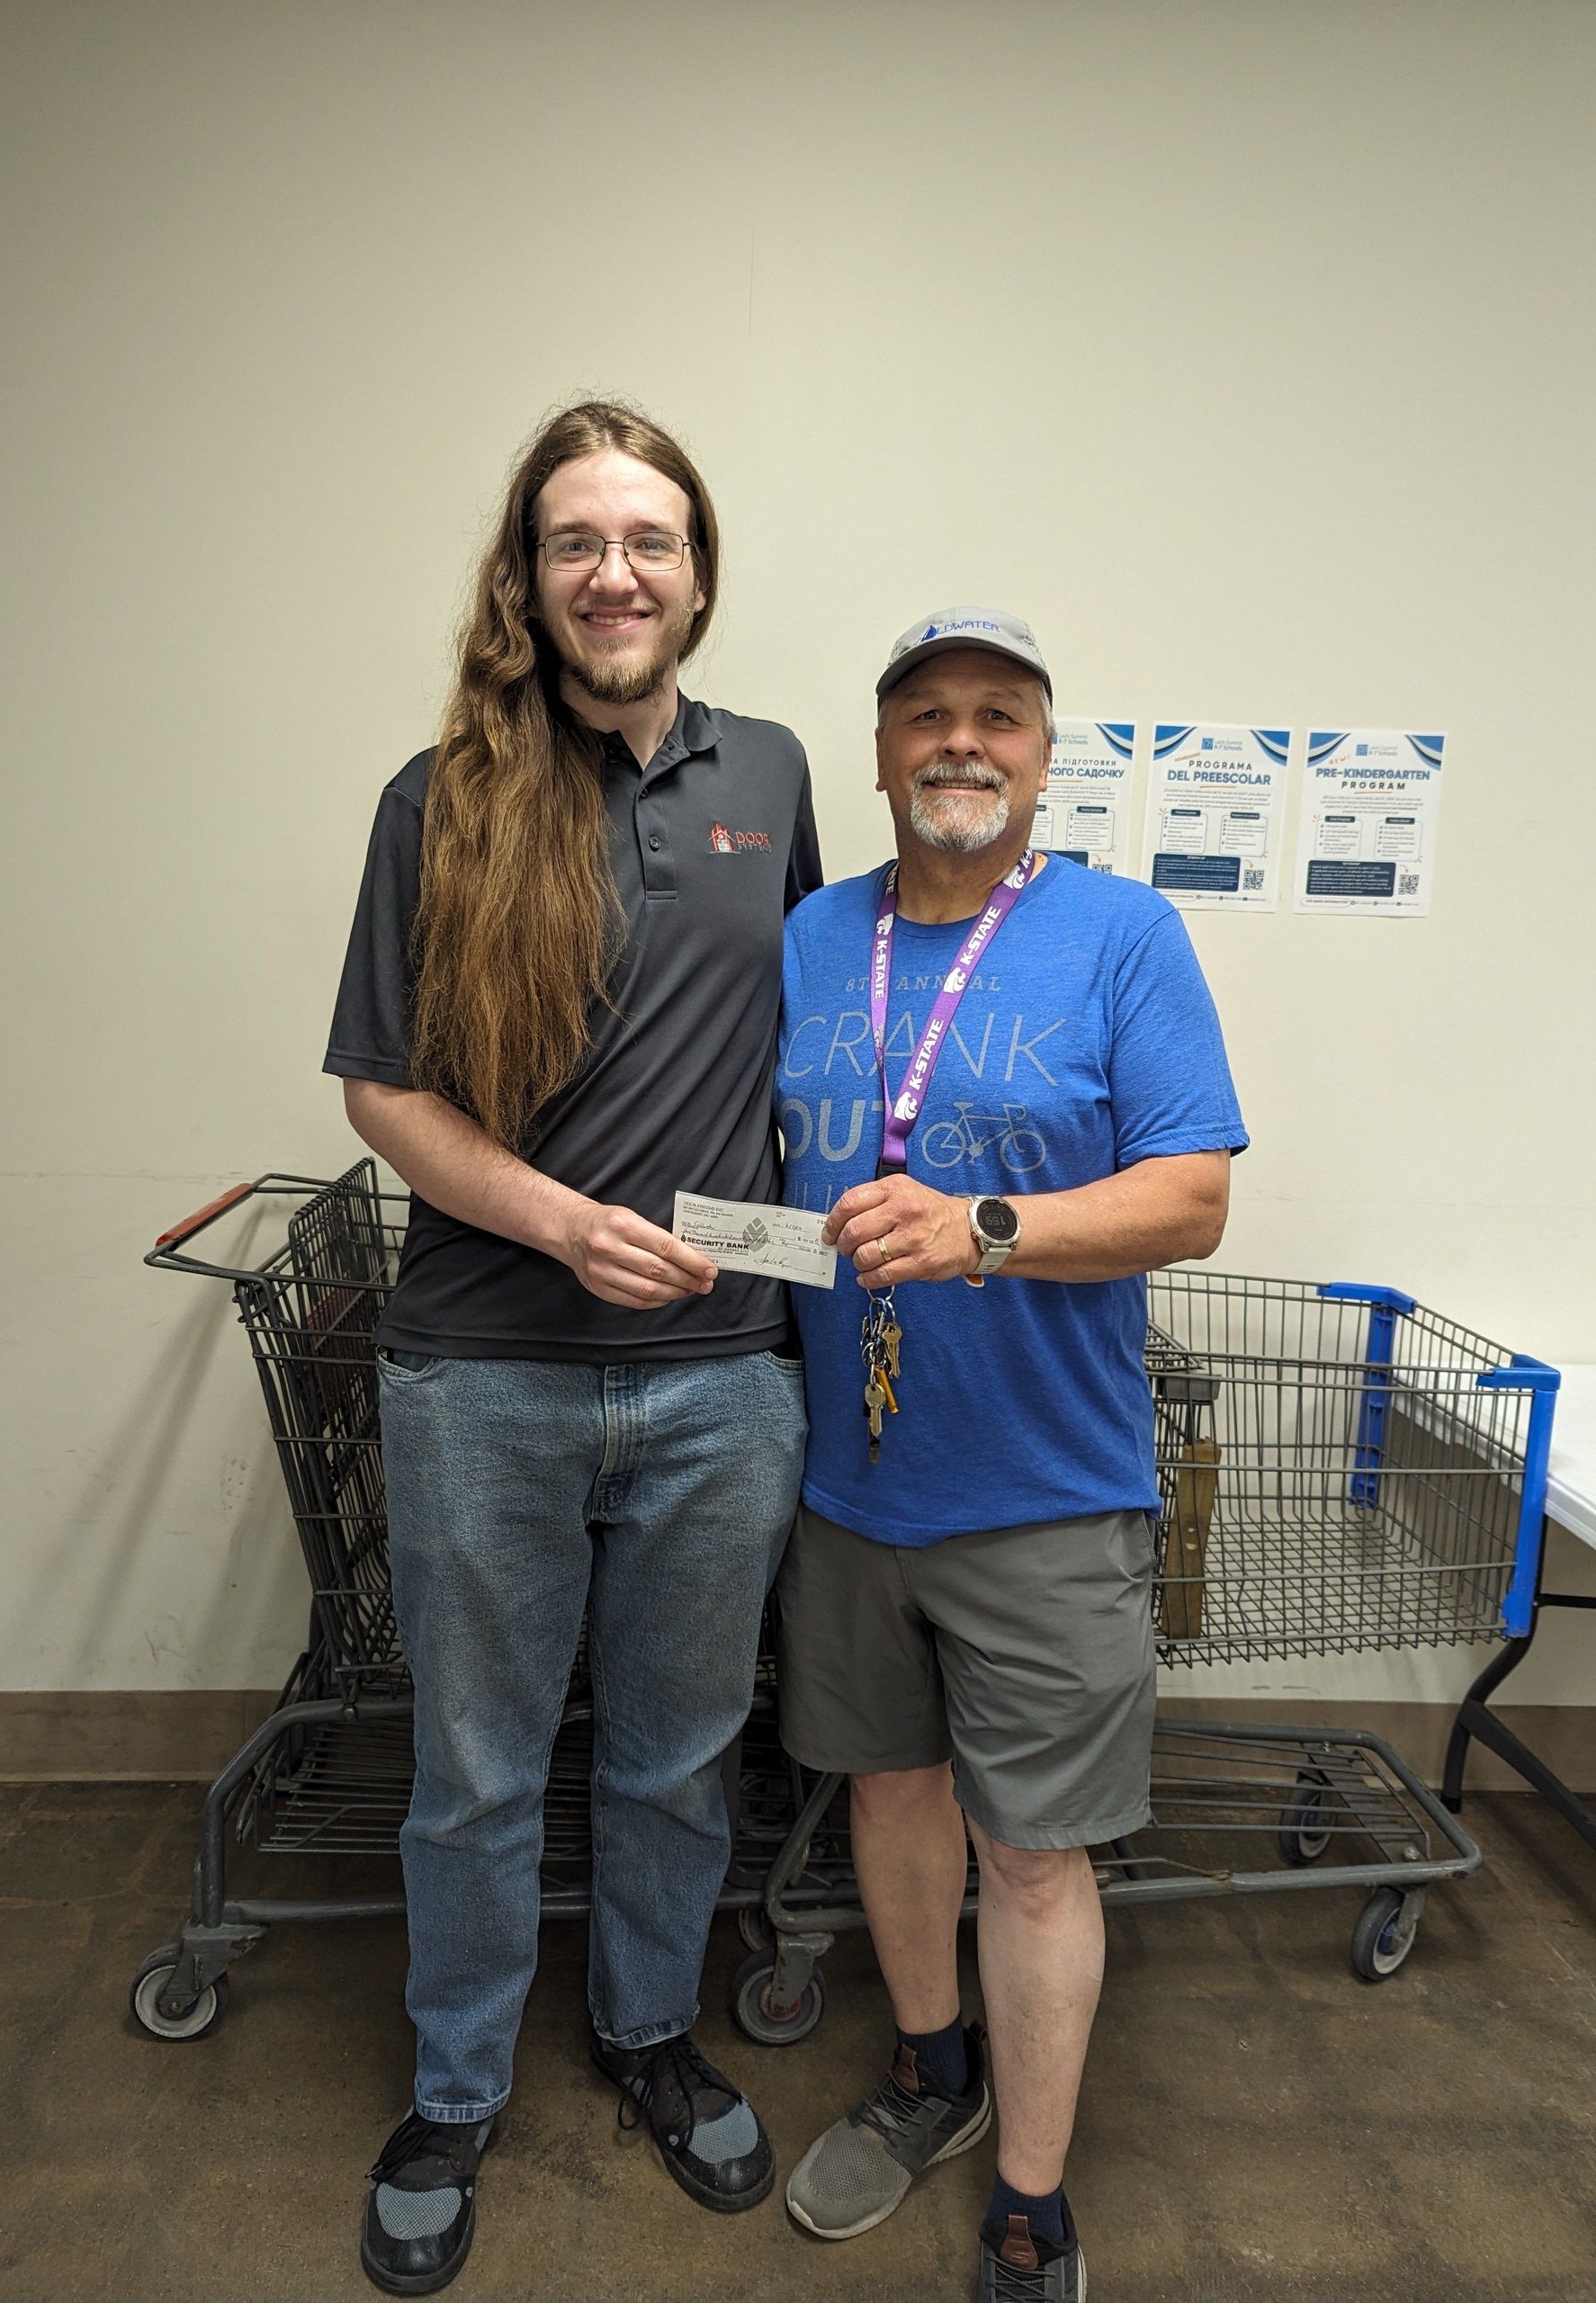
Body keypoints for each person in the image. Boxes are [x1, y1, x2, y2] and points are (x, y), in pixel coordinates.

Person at [325, 400, 819, 2295]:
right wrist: (558, 1223)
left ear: (698, 572)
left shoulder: (766, 770)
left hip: (726, 1383)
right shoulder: (435, 797)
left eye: (651, 538)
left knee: (683, 1757)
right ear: (525, 577)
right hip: (487, 1378)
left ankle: (641, 2033)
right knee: (472, 1765)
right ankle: (455, 2087)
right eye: (574, 540)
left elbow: (812, 1045)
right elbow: (385, 1087)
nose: (615, 572)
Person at [775, 609, 1247, 2301]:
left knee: (1033, 1854)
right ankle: (928, 2072)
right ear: (883, 747)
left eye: (999, 717)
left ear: (1047, 754)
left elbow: (1191, 1197)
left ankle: (1032, 2201)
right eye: (926, 716)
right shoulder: (813, 938)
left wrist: (984, 1223)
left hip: (1048, 1492)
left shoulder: (1126, 936)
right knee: (892, 1800)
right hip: (851, 1487)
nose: (960, 743)